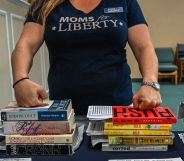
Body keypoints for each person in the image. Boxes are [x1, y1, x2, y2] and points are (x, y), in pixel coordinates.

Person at [11, 0, 162, 115]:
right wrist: (20, 79)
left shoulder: (124, 1)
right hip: (64, 110)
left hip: (117, 106)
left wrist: (150, 83)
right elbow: (26, 45)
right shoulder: (45, 4)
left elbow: (144, 48)